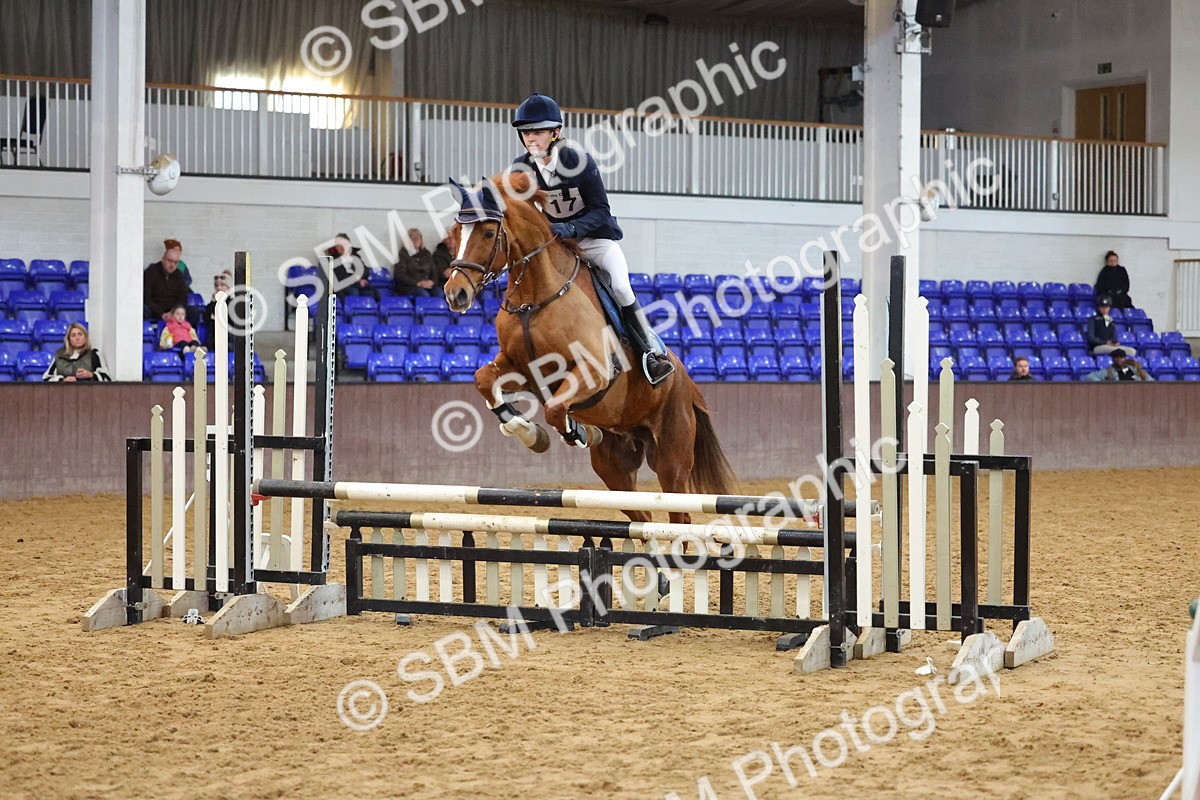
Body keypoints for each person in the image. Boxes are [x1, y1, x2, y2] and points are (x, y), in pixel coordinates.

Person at [508, 92, 673, 385]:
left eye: (538, 131)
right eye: (526, 132)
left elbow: (601, 211)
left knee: (621, 286)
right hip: (554, 248)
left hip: (595, 241)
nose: (530, 138)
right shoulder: (520, 170)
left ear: (556, 133)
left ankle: (650, 351)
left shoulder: (580, 163)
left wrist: (571, 228)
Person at [42, 322, 111, 382]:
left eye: (80, 334)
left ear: (85, 337)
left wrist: (90, 375)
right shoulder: (60, 356)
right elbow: (46, 378)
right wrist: (63, 380)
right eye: (73, 335)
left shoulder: (94, 354)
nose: (77, 338)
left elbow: (106, 378)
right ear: (68, 339)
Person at [143, 240, 190, 321]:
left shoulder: (179, 275)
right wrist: (161, 314)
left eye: (175, 262)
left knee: (194, 311)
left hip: (173, 309)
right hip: (155, 308)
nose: (172, 265)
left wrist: (174, 312)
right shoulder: (151, 272)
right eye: (170, 261)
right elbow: (146, 297)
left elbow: (183, 297)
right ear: (163, 260)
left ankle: (187, 332)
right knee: (142, 309)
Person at [326, 233, 376, 299]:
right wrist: (357, 280)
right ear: (336, 247)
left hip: (358, 285)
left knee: (371, 293)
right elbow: (339, 276)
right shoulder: (332, 259)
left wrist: (361, 279)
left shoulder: (355, 257)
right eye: (339, 245)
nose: (342, 247)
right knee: (353, 292)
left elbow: (366, 271)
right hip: (342, 287)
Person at [393, 229, 440, 297]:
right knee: (423, 295)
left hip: (427, 285)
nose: (415, 240)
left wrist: (431, 282)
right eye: (412, 238)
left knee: (439, 293)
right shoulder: (403, 253)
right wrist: (417, 283)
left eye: (418, 237)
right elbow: (400, 274)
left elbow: (434, 271)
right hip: (409, 286)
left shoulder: (426, 254)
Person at [1085, 349, 1152, 382]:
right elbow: (1089, 377)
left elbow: (1150, 381)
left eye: (1121, 356)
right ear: (1113, 359)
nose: (1119, 359)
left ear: (1125, 358)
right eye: (1116, 357)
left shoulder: (1134, 369)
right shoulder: (1108, 371)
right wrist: (1106, 385)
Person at [204, 270, 232, 349]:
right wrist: (213, 301)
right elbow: (206, 320)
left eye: (222, 285)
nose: (218, 288)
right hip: (214, 338)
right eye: (216, 285)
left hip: (228, 339)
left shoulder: (233, 304)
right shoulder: (212, 304)